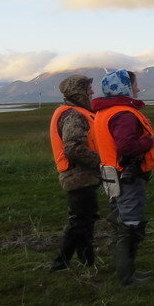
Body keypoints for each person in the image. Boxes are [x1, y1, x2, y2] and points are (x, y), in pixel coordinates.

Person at [92, 69, 154, 286]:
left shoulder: (105, 113)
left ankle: (127, 272)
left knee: (123, 222)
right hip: (127, 177)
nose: (138, 89)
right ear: (124, 87)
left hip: (113, 175)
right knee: (130, 224)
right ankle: (128, 277)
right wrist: (151, 141)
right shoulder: (124, 114)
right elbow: (127, 146)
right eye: (134, 85)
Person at [48, 75, 101, 270]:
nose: (92, 92)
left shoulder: (73, 112)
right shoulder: (74, 115)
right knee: (80, 221)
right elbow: (73, 148)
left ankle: (86, 261)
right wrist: (101, 161)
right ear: (79, 91)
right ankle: (60, 263)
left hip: (79, 176)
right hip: (78, 176)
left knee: (84, 219)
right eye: (89, 89)